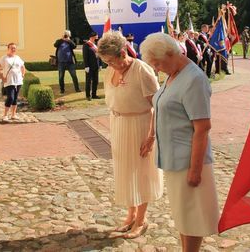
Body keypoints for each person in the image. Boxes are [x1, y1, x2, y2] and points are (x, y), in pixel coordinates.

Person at [140, 32, 219, 252]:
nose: (156, 68)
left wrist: (195, 170)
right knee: (183, 215)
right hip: (173, 159)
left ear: (170, 54)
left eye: (157, 63)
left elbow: (202, 128)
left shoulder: (193, 79)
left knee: (193, 217)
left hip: (188, 161)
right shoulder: (173, 73)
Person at [97, 31, 163, 239]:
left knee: (142, 171)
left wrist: (151, 136)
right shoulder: (110, 71)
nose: (109, 65)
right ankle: (131, 214)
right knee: (125, 170)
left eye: (111, 61)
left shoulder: (142, 71)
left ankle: (141, 220)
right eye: (106, 62)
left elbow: (157, 106)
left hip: (141, 125)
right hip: (119, 124)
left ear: (123, 52)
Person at [0, 43, 26, 120]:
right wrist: (1, 76)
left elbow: (22, 66)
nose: (13, 49)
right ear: (8, 49)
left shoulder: (18, 57)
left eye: (14, 48)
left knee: (15, 98)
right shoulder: (4, 58)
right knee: (10, 98)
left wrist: (23, 74)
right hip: (9, 81)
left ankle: (13, 115)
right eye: (12, 48)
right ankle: (5, 115)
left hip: (18, 81)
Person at [82, 32, 100, 100]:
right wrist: (86, 66)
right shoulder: (86, 45)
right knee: (88, 81)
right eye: (96, 36)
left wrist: (100, 65)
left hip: (96, 66)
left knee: (96, 81)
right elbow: (85, 56)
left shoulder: (95, 45)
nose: (97, 37)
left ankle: (94, 95)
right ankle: (88, 96)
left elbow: (98, 55)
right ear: (92, 37)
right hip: (89, 67)